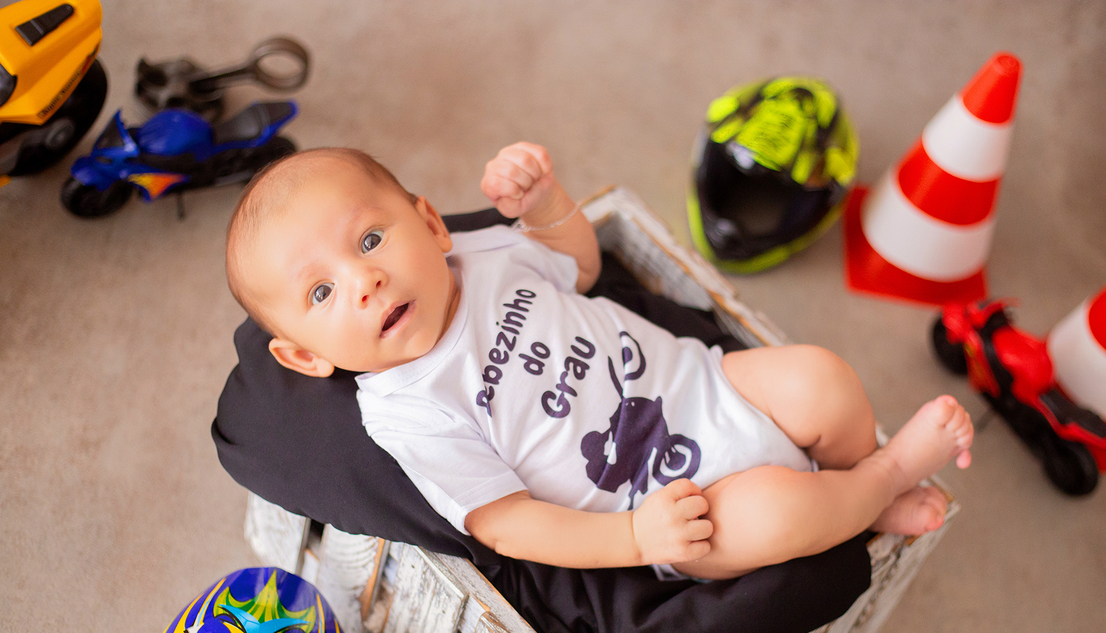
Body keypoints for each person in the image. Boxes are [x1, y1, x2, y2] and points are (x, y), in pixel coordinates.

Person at [224, 142, 972, 581]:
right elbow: (507, 525)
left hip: (705, 384)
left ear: (429, 223)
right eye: (321, 293)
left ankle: (853, 484)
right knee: (780, 511)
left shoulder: (482, 257)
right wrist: (637, 539)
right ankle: (883, 482)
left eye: (369, 241)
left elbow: (578, 267)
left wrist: (545, 203)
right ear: (303, 355)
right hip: (674, 502)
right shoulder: (409, 409)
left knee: (821, 380)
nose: (365, 283)